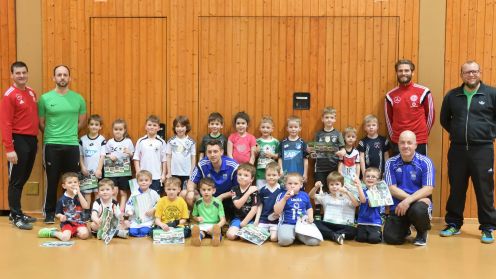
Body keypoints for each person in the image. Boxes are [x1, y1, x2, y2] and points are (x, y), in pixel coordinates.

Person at [440, 60, 496, 244]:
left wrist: (488, 133)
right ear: (461, 74)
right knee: (456, 189)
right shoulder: (452, 96)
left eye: (474, 71)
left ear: (480, 73)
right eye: (467, 72)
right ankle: (453, 224)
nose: (471, 75)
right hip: (457, 150)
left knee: (484, 190)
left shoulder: (492, 94)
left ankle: (488, 227)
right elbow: (444, 120)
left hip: (482, 150)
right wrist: (458, 134)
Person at [38, 65, 87, 224]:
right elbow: (41, 123)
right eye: (59, 75)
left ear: (69, 78)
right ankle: (50, 213)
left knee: (73, 181)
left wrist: (70, 133)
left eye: (65, 75)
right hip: (51, 145)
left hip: (72, 145)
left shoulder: (78, 98)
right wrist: (53, 135)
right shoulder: (45, 99)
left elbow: (82, 122)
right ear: (54, 78)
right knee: (52, 180)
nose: (62, 77)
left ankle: (74, 213)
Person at [0, 61, 39, 230]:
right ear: (12, 75)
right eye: (18, 73)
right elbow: (5, 123)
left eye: (24, 72)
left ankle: (18, 211)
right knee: (16, 180)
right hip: (18, 140)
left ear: (27, 73)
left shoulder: (31, 92)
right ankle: (15, 215)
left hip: (31, 139)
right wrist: (9, 148)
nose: (21, 75)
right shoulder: (9, 95)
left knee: (23, 178)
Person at [383, 130, 434, 246]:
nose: (406, 146)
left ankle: (422, 232)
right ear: (398, 144)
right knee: (390, 238)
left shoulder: (426, 162)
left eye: (409, 143)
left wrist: (408, 201)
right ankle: (405, 228)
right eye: (402, 143)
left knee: (418, 210)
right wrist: (409, 200)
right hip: (398, 206)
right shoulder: (390, 163)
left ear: (416, 145)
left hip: (417, 206)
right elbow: (391, 189)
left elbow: (428, 189)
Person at [385, 59, 435, 156]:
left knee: (419, 170)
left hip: (418, 141)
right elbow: (388, 120)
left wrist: (422, 134)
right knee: (399, 171)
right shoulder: (390, 95)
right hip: (398, 141)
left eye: (407, 70)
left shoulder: (424, 91)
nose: (403, 73)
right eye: (400, 71)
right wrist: (395, 138)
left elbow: (430, 116)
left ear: (412, 73)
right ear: (397, 73)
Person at [184, 140, 239, 220]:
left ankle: (228, 219)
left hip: (226, 199)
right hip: (207, 197)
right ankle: (197, 216)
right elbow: (191, 181)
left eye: (215, 151)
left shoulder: (233, 166)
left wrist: (222, 196)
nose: (212, 155)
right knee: (185, 193)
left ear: (222, 152)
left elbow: (238, 189)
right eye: (209, 152)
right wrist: (190, 191)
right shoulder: (202, 164)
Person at [309, 171, 359, 245]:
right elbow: (311, 195)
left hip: (343, 225)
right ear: (328, 186)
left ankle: (332, 235)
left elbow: (356, 204)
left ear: (342, 185)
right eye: (331, 184)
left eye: (337, 184)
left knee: (353, 230)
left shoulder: (347, 197)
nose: (334, 187)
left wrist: (347, 192)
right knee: (315, 223)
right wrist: (316, 187)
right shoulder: (325, 197)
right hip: (329, 224)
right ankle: (335, 235)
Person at [37, 172, 90, 241]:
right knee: (65, 238)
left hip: (79, 223)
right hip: (67, 223)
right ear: (64, 186)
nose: (73, 184)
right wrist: (61, 216)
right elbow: (57, 213)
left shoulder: (80, 195)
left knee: (85, 235)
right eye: (70, 182)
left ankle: (74, 233)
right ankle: (53, 232)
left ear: (79, 184)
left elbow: (86, 206)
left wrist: (79, 193)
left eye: (75, 182)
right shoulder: (62, 200)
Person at [274, 173, 320, 247]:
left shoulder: (304, 195)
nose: (292, 186)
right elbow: (277, 211)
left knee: (314, 241)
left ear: (301, 185)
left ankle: (298, 235)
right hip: (287, 223)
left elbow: (309, 208)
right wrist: (284, 199)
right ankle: (292, 235)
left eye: (296, 183)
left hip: (302, 224)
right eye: (290, 183)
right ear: (285, 185)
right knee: (284, 241)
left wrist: (311, 217)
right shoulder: (282, 195)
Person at [103, 118, 134, 211]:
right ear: (112, 130)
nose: (118, 131)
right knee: (114, 192)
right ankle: (114, 211)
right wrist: (109, 156)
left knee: (123, 192)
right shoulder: (110, 142)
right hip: (112, 172)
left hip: (124, 172)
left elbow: (133, 156)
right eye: (116, 129)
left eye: (120, 129)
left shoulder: (128, 141)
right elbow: (104, 155)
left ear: (124, 130)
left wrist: (130, 153)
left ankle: (121, 212)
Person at [311, 106, 345, 187]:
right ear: (322, 119)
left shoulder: (338, 134)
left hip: (334, 168)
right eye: (326, 117)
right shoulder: (318, 134)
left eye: (331, 117)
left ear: (335, 119)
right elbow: (313, 150)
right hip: (320, 168)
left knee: (333, 191)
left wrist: (343, 152)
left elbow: (343, 149)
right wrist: (311, 152)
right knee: (320, 191)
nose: (329, 119)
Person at [133, 115, 167, 195]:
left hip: (156, 176)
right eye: (149, 125)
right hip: (143, 177)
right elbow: (136, 158)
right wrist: (138, 172)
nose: (152, 127)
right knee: (142, 198)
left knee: (155, 199)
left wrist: (163, 174)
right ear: (145, 127)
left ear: (158, 128)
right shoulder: (141, 141)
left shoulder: (161, 142)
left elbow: (164, 160)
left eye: (154, 125)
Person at [226, 163, 259, 240]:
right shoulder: (234, 189)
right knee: (231, 236)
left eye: (246, 175)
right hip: (237, 218)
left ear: (252, 179)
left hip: (250, 220)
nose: (242, 177)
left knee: (244, 237)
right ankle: (234, 229)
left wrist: (244, 222)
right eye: (239, 174)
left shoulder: (254, 191)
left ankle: (242, 231)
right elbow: (238, 205)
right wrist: (248, 193)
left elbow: (254, 209)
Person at [79, 114, 105, 207]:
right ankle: (87, 211)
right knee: (87, 193)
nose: (94, 126)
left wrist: (99, 169)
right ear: (88, 126)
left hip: (97, 171)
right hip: (86, 171)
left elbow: (102, 156)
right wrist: (82, 167)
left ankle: (96, 211)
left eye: (96, 124)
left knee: (97, 193)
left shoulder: (102, 139)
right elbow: (81, 155)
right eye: (92, 124)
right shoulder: (82, 139)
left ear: (100, 127)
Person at [254, 162, 284, 242]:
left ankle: (270, 233)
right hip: (263, 220)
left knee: (273, 238)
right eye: (269, 175)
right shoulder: (262, 190)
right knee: (258, 238)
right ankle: (265, 232)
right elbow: (260, 206)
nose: (271, 177)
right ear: (265, 175)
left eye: (274, 175)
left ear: (279, 176)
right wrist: (257, 220)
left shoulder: (282, 190)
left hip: (276, 221)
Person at [191, 178, 225, 246]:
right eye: (204, 190)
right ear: (200, 190)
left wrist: (216, 226)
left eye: (209, 190)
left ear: (213, 190)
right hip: (202, 225)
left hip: (214, 226)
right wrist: (197, 218)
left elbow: (223, 220)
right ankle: (197, 239)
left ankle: (216, 239)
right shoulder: (198, 202)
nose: (206, 192)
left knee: (216, 233)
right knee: (200, 232)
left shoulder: (217, 203)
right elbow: (194, 216)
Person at [125, 170, 160, 237]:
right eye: (141, 180)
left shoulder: (154, 193)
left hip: (148, 219)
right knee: (133, 232)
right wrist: (130, 211)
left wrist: (153, 209)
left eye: (146, 180)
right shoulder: (134, 194)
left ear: (150, 182)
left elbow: (159, 204)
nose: (144, 182)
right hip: (136, 219)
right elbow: (129, 204)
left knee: (144, 231)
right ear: (137, 182)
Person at [166, 115, 196, 189]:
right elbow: (168, 157)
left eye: (182, 126)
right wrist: (169, 172)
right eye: (177, 126)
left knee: (185, 193)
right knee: (174, 193)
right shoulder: (171, 141)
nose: (180, 129)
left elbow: (193, 158)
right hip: (174, 173)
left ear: (187, 127)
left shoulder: (191, 142)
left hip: (186, 173)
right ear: (174, 128)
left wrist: (191, 173)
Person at [356, 167, 384, 244]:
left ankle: (379, 233)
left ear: (378, 180)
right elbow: (363, 200)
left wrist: (359, 186)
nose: (370, 178)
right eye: (368, 176)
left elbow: (371, 204)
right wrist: (359, 187)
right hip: (362, 221)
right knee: (360, 239)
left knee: (373, 240)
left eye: (373, 177)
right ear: (364, 179)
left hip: (374, 222)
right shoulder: (362, 191)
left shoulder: (379, 192)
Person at [278, 116, 309, 182]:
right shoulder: (283, 142)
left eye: (295, 127)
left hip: (299, 173)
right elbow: (279, 158)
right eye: (291, 127)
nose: (293, 129)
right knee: (286, 191)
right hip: (285, 173)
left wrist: (305, 173)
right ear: (287, 128)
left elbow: (305, 159)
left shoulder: (302, 143)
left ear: (300, 128)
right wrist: (281, 170)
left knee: (299, 191)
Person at [255, 116, 279, 189]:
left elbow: (279, 156)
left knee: (272, 190)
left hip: (272, 171)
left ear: (272, 129)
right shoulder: (257, 141)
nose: (265, 129)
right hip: (260, 171)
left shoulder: (276, 142)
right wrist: (257, 151)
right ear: (260, 128)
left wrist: (272, 155)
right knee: (260, 190)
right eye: (263, 127)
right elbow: (253, 156)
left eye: (268, 128)